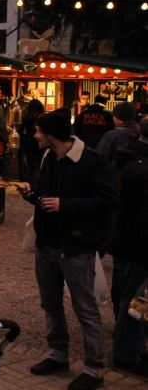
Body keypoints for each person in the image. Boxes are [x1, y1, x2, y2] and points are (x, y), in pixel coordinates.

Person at [18, 109, 116, 390]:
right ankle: (57, 353)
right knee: (50, 302)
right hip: (47, 244)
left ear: (51, 135)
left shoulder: (93, 161)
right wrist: (32, 196)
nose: (34, 135)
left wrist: (66, 205)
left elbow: (108, 201)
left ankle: (94, 368)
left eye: (38, 131)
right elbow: (45, 193)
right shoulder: (50, 157)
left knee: (85, 307)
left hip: (76, 246)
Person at [108, 116, 148, 376]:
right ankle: (127, 353)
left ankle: (126, 346)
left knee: (125, 294)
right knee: (136, 300)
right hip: (140, 243)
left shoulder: (126, 158)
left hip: (124, 239)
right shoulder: (141, 167)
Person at [19, 99, 46, 183]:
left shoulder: (26, 117)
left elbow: (21, 130)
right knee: (38, 163)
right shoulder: (41, 117)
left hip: (28, 142)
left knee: (30, 164)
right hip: (39, 142)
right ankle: (37, 182)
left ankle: (30, 182)